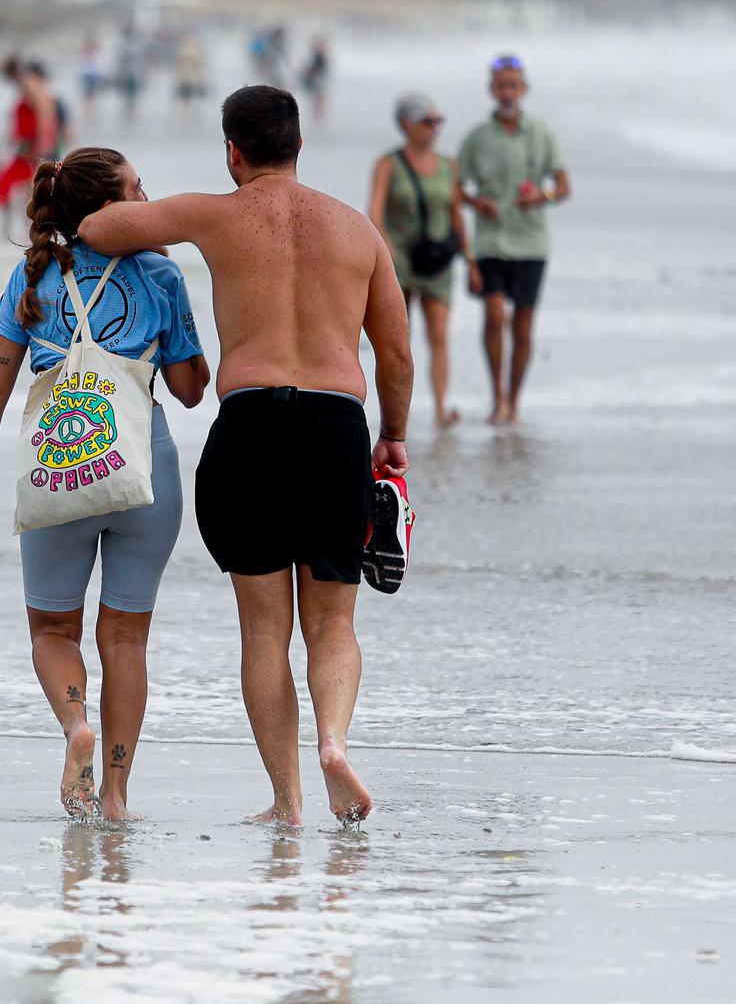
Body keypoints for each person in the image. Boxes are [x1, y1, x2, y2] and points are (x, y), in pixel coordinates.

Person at [78, 86, 414, 827]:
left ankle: (287, 803)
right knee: (334, 623)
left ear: (233, 150)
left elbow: (99, 229)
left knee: (264, 628)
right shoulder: (357, 230)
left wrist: (135, 201)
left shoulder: (213, 213)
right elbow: (394, 349)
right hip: (334, 428)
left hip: (250, 426)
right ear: (299, 144)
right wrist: (392, 432)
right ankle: (332, 744)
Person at [0, 148, 211, 821]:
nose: (148, 198)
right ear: (109, 206)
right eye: (136, 189)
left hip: (57, 464)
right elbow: (188, 390)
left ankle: (76, 728)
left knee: (52, 629)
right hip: (141, 463)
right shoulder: (159, 273)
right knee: (126, 638)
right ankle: (117, 796)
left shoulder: (31, 274)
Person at [456, 54, 570, 425]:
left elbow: (563, 186)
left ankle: (515, 401)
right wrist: (477, 202)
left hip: (531, 242)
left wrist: (542, 196)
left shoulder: (542, 134)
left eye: (513, 85)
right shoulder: (477, 138)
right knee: (492, 315)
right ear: (492, 90)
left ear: (524, 89)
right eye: (501, 85)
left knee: (522, 325)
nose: (507, 92)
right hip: (490, 242)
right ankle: (498, 397)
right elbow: (455, 189)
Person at [369, 93, 478, 428]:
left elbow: (456, 214)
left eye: (437, 121)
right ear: (406, 125)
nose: (434, 128)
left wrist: (470, 261)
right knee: (399, 340)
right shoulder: (390, 164)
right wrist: (386, 250)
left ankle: (441, 408)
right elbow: (374, 211)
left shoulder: (448, 167)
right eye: (426, 122)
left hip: (439, 264)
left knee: (439, 334)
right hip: (400, 262)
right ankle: (397, 411)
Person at [0, 55, 60, 236]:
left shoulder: (27, 82)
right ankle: (24, 229)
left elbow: (44, 110)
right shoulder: (28, 84)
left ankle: (24, 230)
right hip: (27, 144)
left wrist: (42, 140)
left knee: (20, 185)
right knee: (25, 187)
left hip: (31, 145)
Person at [173, 31, 207, 119]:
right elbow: (178, 64)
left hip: (192, 77)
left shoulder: (193, 50)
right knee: (186, 96)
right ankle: (187, 113)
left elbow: (199, 64)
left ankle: (191, 112)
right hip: (186, 77)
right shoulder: (184, 50)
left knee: (192, 95)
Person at [300, 35, 331, 123]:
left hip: (320, 80)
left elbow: (318, 68)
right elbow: (312, 68)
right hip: (317, 80)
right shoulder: (316, 55)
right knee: (318, 99)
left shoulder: (320, 56)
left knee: (319, 99)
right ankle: (317, 118)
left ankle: (318, 117)